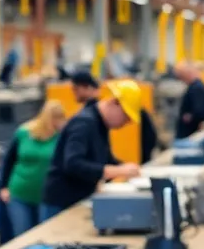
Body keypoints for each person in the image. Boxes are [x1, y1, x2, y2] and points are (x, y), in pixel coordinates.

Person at [39, 79, 142, 221]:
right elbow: (73, 163)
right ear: (114, 102)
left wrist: (125, 168)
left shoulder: (100, 124)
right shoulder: (84, 123)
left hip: (77, 200)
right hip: (61, 203)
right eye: (125, 117)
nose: (125, 123)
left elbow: (103, 159)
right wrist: (116, 171)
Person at [0, 100, 68, 237]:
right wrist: (3, 186)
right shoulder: (24, 133)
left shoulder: (61, 137)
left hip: (47, 197)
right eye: (56, 118)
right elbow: (9, 160)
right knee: (22, 235)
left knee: (44, 236)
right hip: (20, 193)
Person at [174, 61, 204, 140]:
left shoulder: (196, 88)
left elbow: (200, 111)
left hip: (191, 132)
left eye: (182, 76)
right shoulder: (195, 86)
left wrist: (188, 117)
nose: (182, 79)